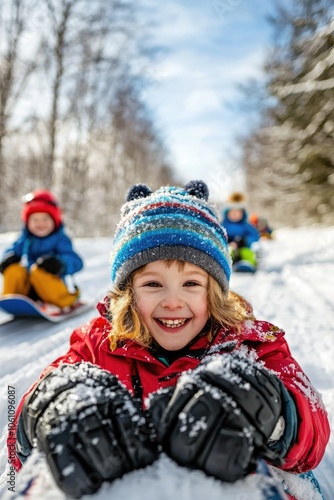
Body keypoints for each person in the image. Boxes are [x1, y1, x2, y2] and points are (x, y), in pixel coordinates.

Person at [8, 181, 329, 499]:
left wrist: (265, 407)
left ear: (215, 291)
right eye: (152, 284)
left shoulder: (250, 344)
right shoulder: (98, 347)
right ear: (127, 292)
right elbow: (18, 448)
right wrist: (55, 408)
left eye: (190, 283)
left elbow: (313, 431)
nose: (172, 301)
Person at [0, 189, 83, 308]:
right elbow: (12, 250)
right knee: (14, 270)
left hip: (51, 289)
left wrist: (60, 263)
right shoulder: (26, 238)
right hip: (29, 289)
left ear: (54, 220)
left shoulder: (60, 240)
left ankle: (64, 301)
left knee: (38, 271)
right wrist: (8, 259)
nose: (40, 223)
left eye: (45, 219)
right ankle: (10, 299)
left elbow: (76, 262)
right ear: (27, 222)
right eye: (35, 220)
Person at [222, 192, 260, 269]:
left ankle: (248, 265)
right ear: (227, 213)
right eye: (232, 212)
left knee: (247, 253)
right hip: (229, 246)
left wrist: (245, 240)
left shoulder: (245, 225)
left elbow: (255, 235)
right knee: (228, 252)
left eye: (237, 212)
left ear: (242, 213)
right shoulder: (223, 225)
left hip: (243, 247)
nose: (235, 214)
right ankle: (227, 265)